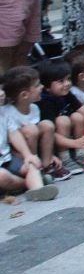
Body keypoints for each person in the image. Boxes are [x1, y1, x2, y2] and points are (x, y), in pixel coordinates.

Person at [0, 68, 59, 202]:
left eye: (1, 89)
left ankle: (38, 190)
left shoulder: (3, 112)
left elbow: (14, 134)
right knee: (2, 177)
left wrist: (28, 155)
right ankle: (28, 184)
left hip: (7, 159)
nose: (1, 94)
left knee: (30, 166)